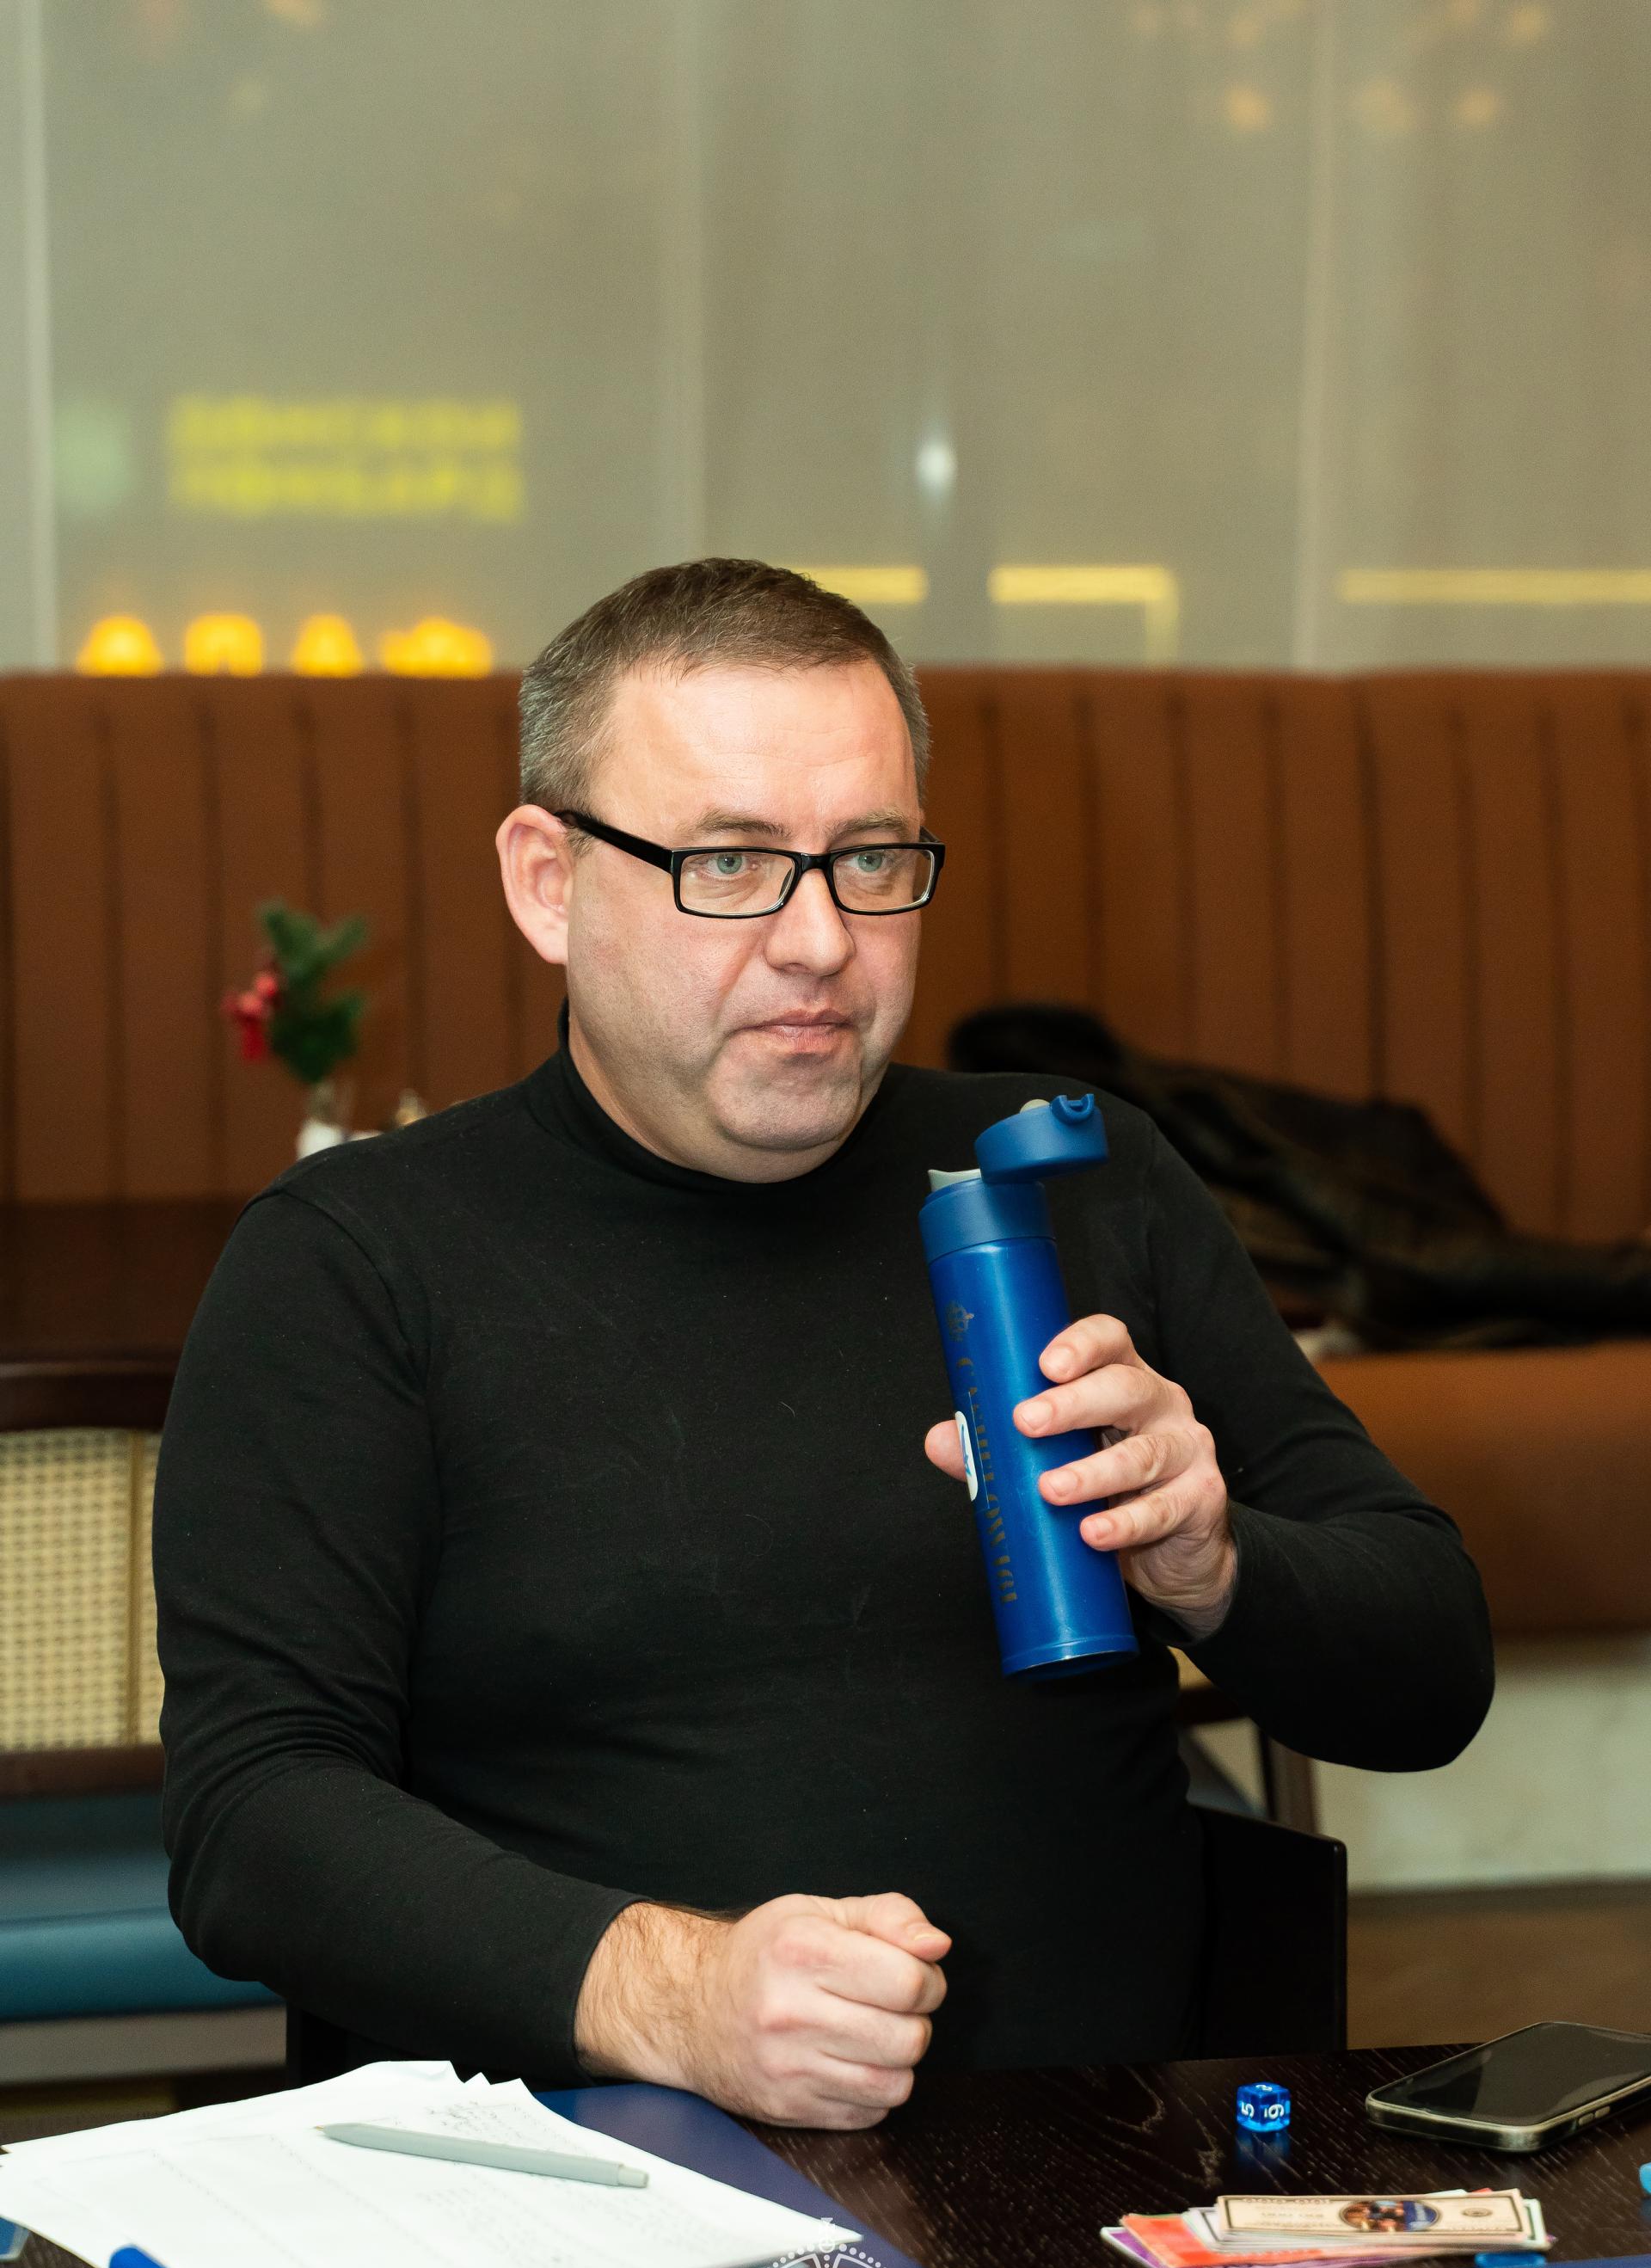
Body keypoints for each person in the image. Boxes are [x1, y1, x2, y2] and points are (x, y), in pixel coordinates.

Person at [157, 559, 1493, 2131]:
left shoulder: (1073, 1178)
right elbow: (254, 1822)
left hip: (1108, 2163)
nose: (818, 941)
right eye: (729, 862)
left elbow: (1430, 1679)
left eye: (869, 860)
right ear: (547, 882)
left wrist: (1213, 1564)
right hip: (608, 2193)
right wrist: (674, 1994)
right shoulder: (356, 1260)